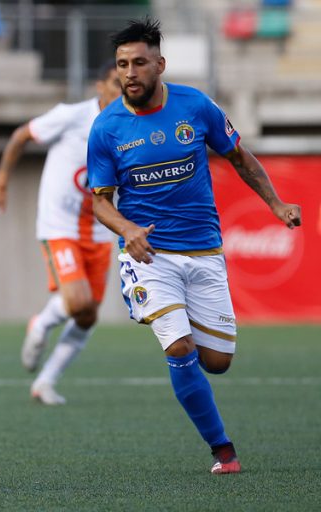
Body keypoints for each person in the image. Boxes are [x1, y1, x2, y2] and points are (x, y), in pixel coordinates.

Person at [87, 18, 301, 474]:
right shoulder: (106, 128)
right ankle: (223, 451)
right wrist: (127, 229)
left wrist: (276, 204)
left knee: (218, 362)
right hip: (149, 257)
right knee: (180, 347)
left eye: (139, 63)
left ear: (160, 65)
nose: (130, 73)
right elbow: (100, 202)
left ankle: (199, 383)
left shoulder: (196, 106)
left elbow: (239, 156)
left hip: (204, 251)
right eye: (122, 64)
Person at [0, 62, 121, 405]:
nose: (123, 90)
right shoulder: (72, 116)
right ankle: (41, 323)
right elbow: (21, 136)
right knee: (78, 302)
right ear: (100, 85)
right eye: (116, 83)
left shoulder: (131, 126)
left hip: (100, 229)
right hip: (60, 224)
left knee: (88, 316)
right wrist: (0, 185)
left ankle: (45, 382)